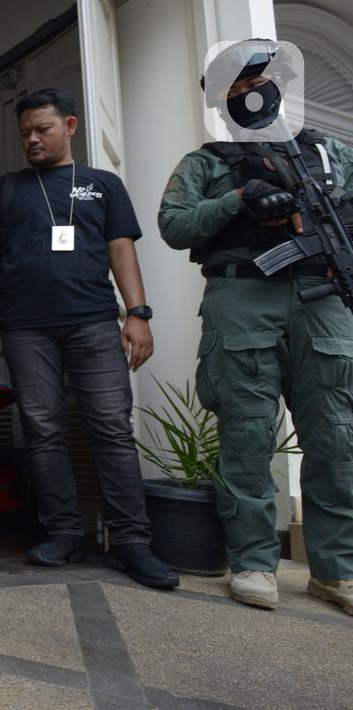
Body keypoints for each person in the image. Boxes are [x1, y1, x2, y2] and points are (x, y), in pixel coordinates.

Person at [158, 39, 353, 615]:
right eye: (237, 89)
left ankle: (335, 571)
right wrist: (240, 199)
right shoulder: (207, 161)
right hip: (243, 295)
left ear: (280, 88)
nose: (251, 95)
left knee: (336, 438)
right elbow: (173, 224)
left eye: (259, 83)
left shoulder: (329, 153)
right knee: (246, 437)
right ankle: (253, 563)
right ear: (222, 101)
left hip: (323, 300)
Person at [0, 87, 178, 589]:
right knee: (42, 429)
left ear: (70, 127)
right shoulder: (7, 189)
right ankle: (62, 533)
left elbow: (121, 250)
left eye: (43, 130)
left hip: (94, 322)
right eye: (25, 132)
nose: (32, 139)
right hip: (26, 327)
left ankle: (130, 542)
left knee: (111, 429)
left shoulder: (102, 185)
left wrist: (137, 313)